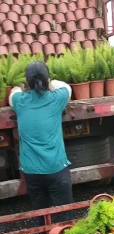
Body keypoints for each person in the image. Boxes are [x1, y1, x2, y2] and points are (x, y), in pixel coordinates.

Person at [9, 62, 73, 211]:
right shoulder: (56, 99)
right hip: (57, 168)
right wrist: (50, 82)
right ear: (47, 80)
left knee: (41, 214)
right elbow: (66, 87)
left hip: (31, 171)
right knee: (65, 216)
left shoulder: (20, 101)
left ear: (28, 82)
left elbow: (14, 91)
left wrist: (20, 87)